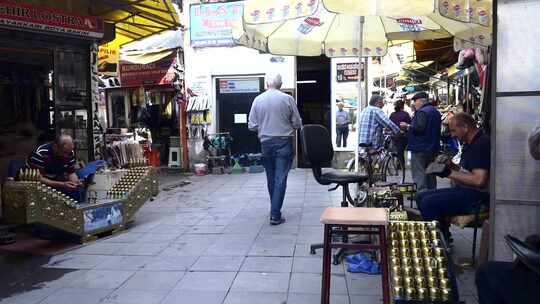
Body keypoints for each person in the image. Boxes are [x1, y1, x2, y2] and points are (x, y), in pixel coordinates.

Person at [416, 112, 490, 240]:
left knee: (428, 203)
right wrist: (451, 165)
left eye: (454, 131)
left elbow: (479, 180)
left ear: (465, 127)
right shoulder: (471, 143)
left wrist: (448, 173)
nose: (452, 135)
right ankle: (444, 236)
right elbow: (468, 172)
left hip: (479, 198)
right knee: (421, 196)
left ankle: (439, 243)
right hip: (468, 191)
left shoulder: (481, 144)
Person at [248, 72, 302, 225]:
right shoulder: (288, 99)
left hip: (266, 143)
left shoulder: (258, 100)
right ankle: (275, 213)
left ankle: (274, 210)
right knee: (280, 178)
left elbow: (251, 125)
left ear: (266, 84)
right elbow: (297, 123)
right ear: (281, 85)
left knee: (271, 178)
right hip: (284, 142)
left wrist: (263, 126)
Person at [400, 92, 441, 193]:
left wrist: (408, 126)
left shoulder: (422, 112)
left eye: (415, 101)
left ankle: (422, 197)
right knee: (430, 173)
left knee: (420, 175)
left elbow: (419, 128)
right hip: (432, 147)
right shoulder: (435, 111)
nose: (414, 103)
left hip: (420, 147)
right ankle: (432, 196)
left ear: (422, 101)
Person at [26, 134, 84, 201]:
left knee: (75, 192)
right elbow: (38, 178)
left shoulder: (69, 153)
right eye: (64, 152)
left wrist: (76, 183)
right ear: (55, 147)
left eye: (69, 152)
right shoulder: (40, 153)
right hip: (39, 183)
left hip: (58, 180)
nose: (66, 156)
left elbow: (71, 172)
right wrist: (62, 184)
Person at [389, 99, 412, 167]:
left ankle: (398, 164)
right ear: (402, 106)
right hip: (403, 135)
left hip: (394, 135)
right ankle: (401, 164)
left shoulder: (392, 114)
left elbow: (390, 124)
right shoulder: (405, 114)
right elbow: (409, 124)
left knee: (398, 149)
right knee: (401, 150)